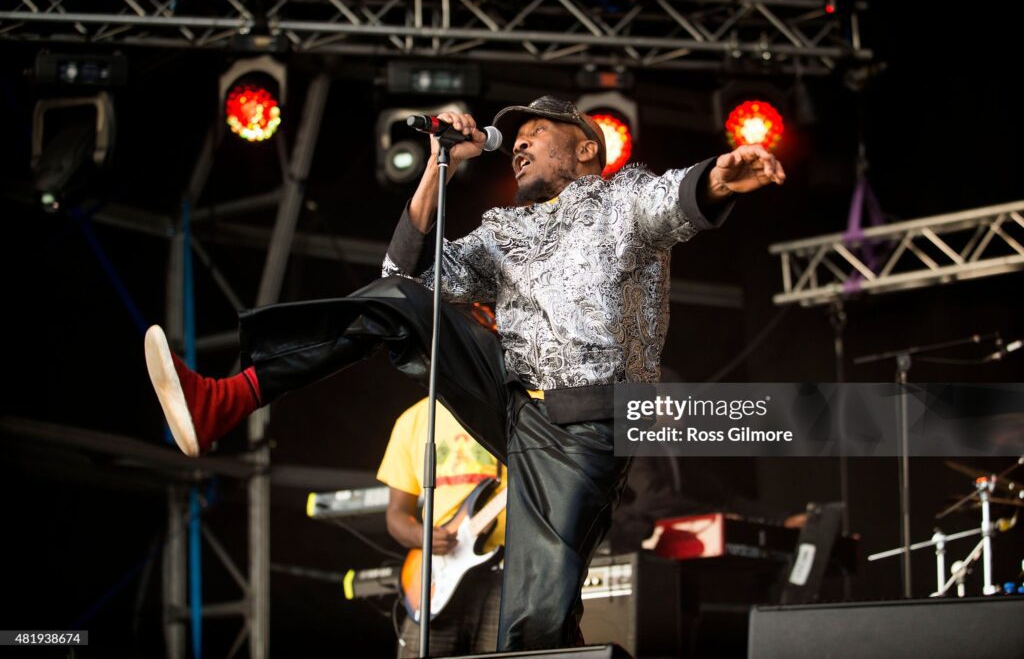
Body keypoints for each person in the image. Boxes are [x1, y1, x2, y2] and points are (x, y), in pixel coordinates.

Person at [144, 95, 785, 650]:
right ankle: (232, 397)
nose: (520, 145)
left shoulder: (621, 202)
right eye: (516, 138)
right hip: (510, 397)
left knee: (532, 623)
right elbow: (402, 275)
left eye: (537, 132)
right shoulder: (501, 231)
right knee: (395, 303)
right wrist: (440, 165)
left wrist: (722, 177)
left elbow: (675, 197)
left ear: (587, 147)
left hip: (584, 424)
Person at [378, 396, 506, 658]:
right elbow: (396, 515)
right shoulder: (413, 420)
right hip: (436, 576)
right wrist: (422, 536)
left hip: (505, 572)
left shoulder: (507, 409)